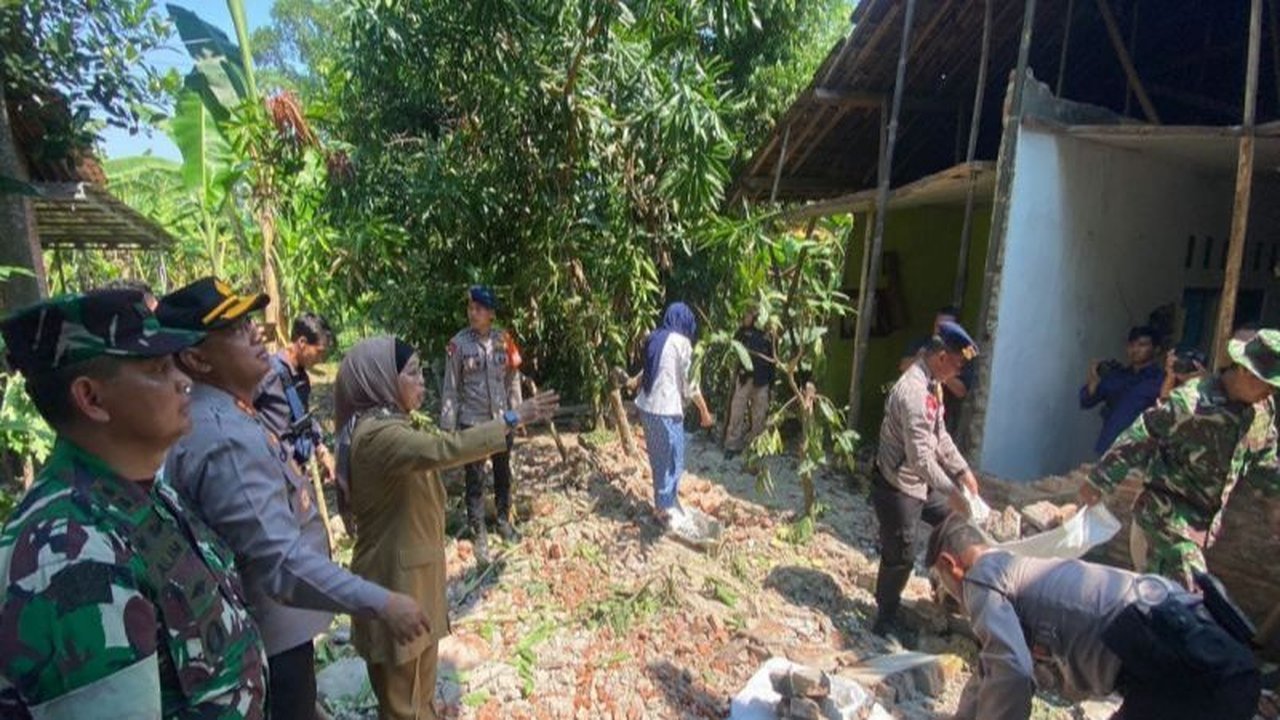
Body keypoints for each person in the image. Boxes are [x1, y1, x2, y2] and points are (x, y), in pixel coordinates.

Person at [157, 277, 429, 720]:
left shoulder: (227, 412)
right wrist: (383, 602)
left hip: (274, 632)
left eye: (249, 321)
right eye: (234, 329)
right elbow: (281, 563)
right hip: (271, 638)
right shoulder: (225, 438)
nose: (255, 333)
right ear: (196, 358)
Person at [0, 290, 267, 718]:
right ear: (91, 399)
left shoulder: (145, 495)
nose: (183, 380)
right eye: (158, 369)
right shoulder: (69, 552)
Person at [334, 336, 559, 720]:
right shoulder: (378, 436)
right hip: (395, 581)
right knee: (403, 704)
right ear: (380, 379)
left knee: (419, 693)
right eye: (412, 373)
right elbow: (444, 449)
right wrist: (510, 418)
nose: (421, 381)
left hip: (413, 578)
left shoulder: (388, 425)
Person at [927, 514, 1261, 720]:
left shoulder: (981, 578)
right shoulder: (1016, 570)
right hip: (1205, 658)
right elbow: (994, 669)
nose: (948, 594)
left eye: (941, 583)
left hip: (1189, 671)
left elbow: (1011, 671)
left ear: (948, 564)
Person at [1081, 329, 1280, 590]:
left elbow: (1265, 462)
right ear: (1245, 371)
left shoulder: (1261, 412)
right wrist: (1098, 481)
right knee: (1189, 596)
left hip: (1201, 529)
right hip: (1165, 520)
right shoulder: (1192, 402)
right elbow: (1141, 436)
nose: (1270, 392)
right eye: (1267, 384)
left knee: (1162, 604)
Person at [872, 320, 981, 637]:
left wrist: (962, 471)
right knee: (901, 555)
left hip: (919, 481)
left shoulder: (933, 384)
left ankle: (945, 583)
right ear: (941, 357)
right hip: (898, 485)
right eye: (957, 365)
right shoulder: (914, 392)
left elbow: (940, 435)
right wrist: (952, 491)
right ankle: (885, 619)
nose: (958, 371)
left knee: (954, 520)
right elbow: (920, 459)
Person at [440, 285, 525, 564]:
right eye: (470, 308)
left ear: (491, 314)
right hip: (473, 423)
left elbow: (513, 377)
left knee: (502, 472)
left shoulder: (504, 340)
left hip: (501, 420)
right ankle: (478, 532)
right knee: (474, 479)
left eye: (478, 309)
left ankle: (503, 521)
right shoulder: (458, 345)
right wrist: (448, 426)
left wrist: (518, 412)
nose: (472, 313)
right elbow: (451, 387)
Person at [636, 302, 715, 532]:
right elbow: (691, 385)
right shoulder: (682, 343)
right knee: (673, 460)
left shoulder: (654, 338)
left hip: (647, 408)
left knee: (659, 460)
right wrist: (705, 412)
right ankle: (664, 511)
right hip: (666, 410)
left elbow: (648, 371)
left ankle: (663, 503)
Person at [255, 312, 335, 479]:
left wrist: (320, 449)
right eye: (319, 352)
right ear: (302, 343)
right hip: (270, 471)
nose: (321, 359)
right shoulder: (267, 373)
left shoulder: (301, 378)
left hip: (293, 472)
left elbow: (302, 419)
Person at [1079, 325, 1164, 456]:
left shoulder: (1161, 381)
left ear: (1156, 349)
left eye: (1142, 345)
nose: (1135, 350)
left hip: (1141, 451)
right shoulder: (1117, 376)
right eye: (1131, 345)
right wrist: (1094, 378)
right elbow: (1086, 401)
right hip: (1109, 447)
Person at [899, 306, 973, 430]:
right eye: (937, 326)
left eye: (945, 328)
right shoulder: (923, 342)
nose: (939, 331)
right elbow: (903, 366)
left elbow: (961, 391)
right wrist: (922, 359)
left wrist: (943, 370)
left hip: (945, 418)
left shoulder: (965, 353)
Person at [724, 306, 774, 458]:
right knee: (737, 412)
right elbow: (734, 343)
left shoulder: (769, 335)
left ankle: (755, 447)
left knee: (759, 415)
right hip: (744, 377)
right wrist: (745, 323)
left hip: (762, 379)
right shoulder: (744, 332)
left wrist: (771, 385)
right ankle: (732, 445)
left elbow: (773, 361)